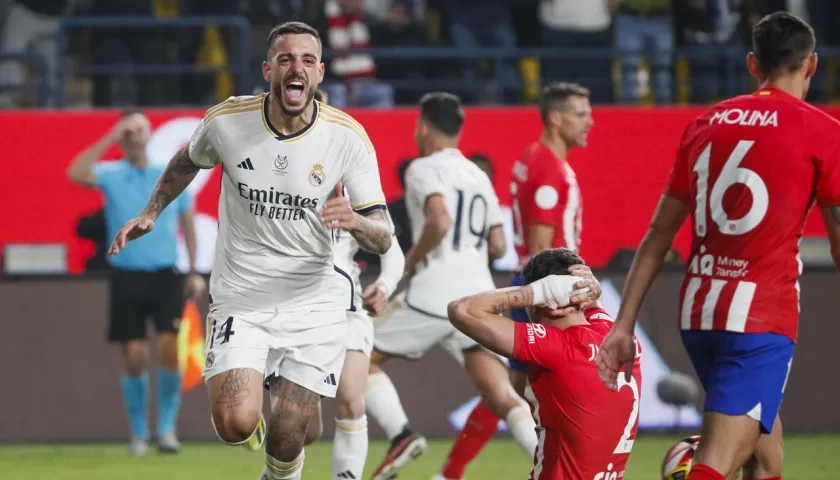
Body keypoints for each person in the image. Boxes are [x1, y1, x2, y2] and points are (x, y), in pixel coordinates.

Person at [107, 21, 393, 480]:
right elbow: (185, 161)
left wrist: (354, 220)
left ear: (319, 73)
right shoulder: (227, 121)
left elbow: (383, 233)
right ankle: (278, 415)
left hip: (315, 302)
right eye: (284, 59)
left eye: (305, 60)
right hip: (243, 297)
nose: (295, 68)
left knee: (291, 434)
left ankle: (281, 462)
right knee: (236, 424)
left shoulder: (347, 137)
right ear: (267, 70)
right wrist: (153, 210)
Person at [596, 12, 840, 480]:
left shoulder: (705, 123)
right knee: (717, 463)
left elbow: (656, 237)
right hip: (759, 321)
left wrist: (623, 325)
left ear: (753, 64)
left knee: (766, 454)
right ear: (811, 66)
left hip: (699, 314)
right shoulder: (823, 132)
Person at [364, 92, 600, 480]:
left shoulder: (422, 169)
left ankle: (400, 434)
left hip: (432, 292)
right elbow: (498, 244)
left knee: (356, 357)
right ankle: (556, 470)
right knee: (503, 395)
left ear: (423, 128)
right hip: (478, 295)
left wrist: (407, 263)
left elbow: (438, 221)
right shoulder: (477, 175)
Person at [435, 82, 594, 480]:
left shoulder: (531, 158)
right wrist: (553, 305)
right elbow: (542, 247)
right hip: (552, 299)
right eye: (580, 113)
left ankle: (449, 473)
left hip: (534, 291)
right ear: (555, 118)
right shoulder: (548, 170)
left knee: (508, 391)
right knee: (550, 397)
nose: (590, 121)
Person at [66, 110, 206, 456]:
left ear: (149, 134)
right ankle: (139, 433)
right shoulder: (112, 174)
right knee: (133, 356)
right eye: (129, 130)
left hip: (165, 274)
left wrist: (192, 271)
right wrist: (112, 135)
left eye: (139, 128)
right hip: (127, 276)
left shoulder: (167, 173)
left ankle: (167, 430)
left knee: (170, 350)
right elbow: (75, 172)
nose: (134, 135)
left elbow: (187, 222)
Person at [448, 248, 642, 480]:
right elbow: (593, 310)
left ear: (540, 303)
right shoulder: (622, 339)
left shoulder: (555, 348)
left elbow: (461, 310)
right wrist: (593, 293)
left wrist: (530, 292)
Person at [298, 89, 406, 480]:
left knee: (350, 400)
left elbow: (390, 245)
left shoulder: (353, 175)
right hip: (293, 309)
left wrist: (386, 284)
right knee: (302, 428)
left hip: (346, 308)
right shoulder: (275, 176)